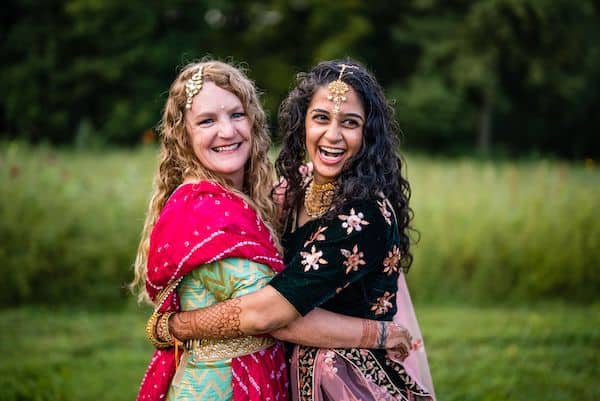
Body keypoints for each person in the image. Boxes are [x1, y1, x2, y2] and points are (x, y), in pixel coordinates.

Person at [132, 60, 414, 401]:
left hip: (347, 385)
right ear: (303, 123)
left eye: (350, 123)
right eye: (321, 118)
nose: (333, 135)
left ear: (367, 135)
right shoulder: (293, 189)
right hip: (262, 381)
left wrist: (173, 326)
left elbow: (269, 315)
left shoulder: (360, 213)